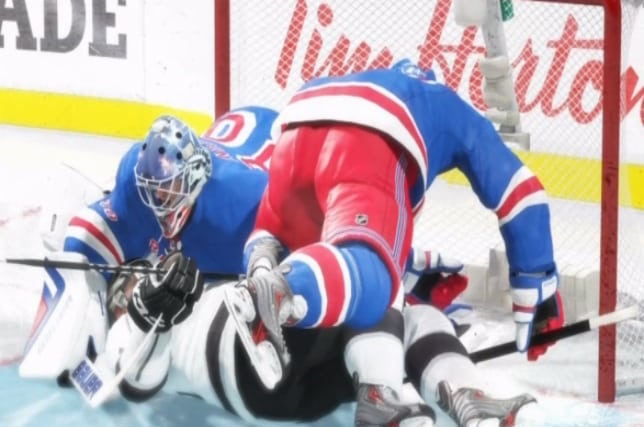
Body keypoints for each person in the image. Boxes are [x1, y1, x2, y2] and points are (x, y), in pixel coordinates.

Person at [19, 106, 472, 425]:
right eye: (153, 192)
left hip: (273, 159)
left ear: (195, 180)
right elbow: (94, 226)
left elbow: (341, 245)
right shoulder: (137, 183)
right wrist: (77, 298)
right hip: (236, 134)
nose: (159, 201)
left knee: (340, 281)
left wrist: (404, 267)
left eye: (170, 192)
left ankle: (413, 292)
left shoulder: (243, 206)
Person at [232, 59, 565, 389]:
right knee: (372, 273)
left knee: (285, 242)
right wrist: (538, 287)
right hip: (367, 137)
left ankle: (262, 279)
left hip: (293, 135)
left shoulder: (360, 76)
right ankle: (276, 292)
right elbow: (521, 192)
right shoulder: (442, 101)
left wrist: (412, 281)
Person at [96, 253, 536, 427]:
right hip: (249, 361)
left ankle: (468, 401)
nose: (152, 280)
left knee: (417, 318)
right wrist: (148, 315)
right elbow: (136, 384)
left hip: (294, 396)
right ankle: (383, 399)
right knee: (369, 295)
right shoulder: (126, 330)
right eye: (136, 282)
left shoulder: (194, 294)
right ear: (119, 302)